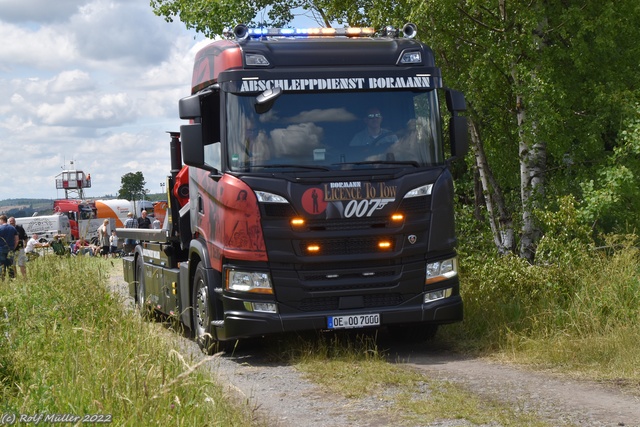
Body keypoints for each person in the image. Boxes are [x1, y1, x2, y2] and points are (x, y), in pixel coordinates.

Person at [0, 215, 18, 279]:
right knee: (10, 265)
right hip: (10, 249)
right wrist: (13, 247)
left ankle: (2, 279)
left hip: (1, 249)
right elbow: (16, 239)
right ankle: (12, 279)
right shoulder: (12, 228)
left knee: (2, 265)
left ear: (1, 220)